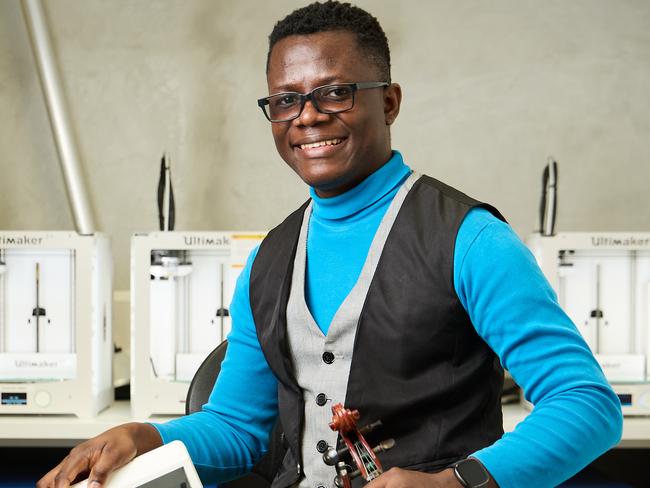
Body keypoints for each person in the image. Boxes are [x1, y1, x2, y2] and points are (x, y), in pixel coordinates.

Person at [38, 2, 623, 488]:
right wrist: (146, 435)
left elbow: (586, 404)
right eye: (285, 100)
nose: (307, 118)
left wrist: (458, 482)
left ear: (389, 101)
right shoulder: (271, 257)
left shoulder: (470, 240)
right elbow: (239, 427)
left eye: (335, 92)